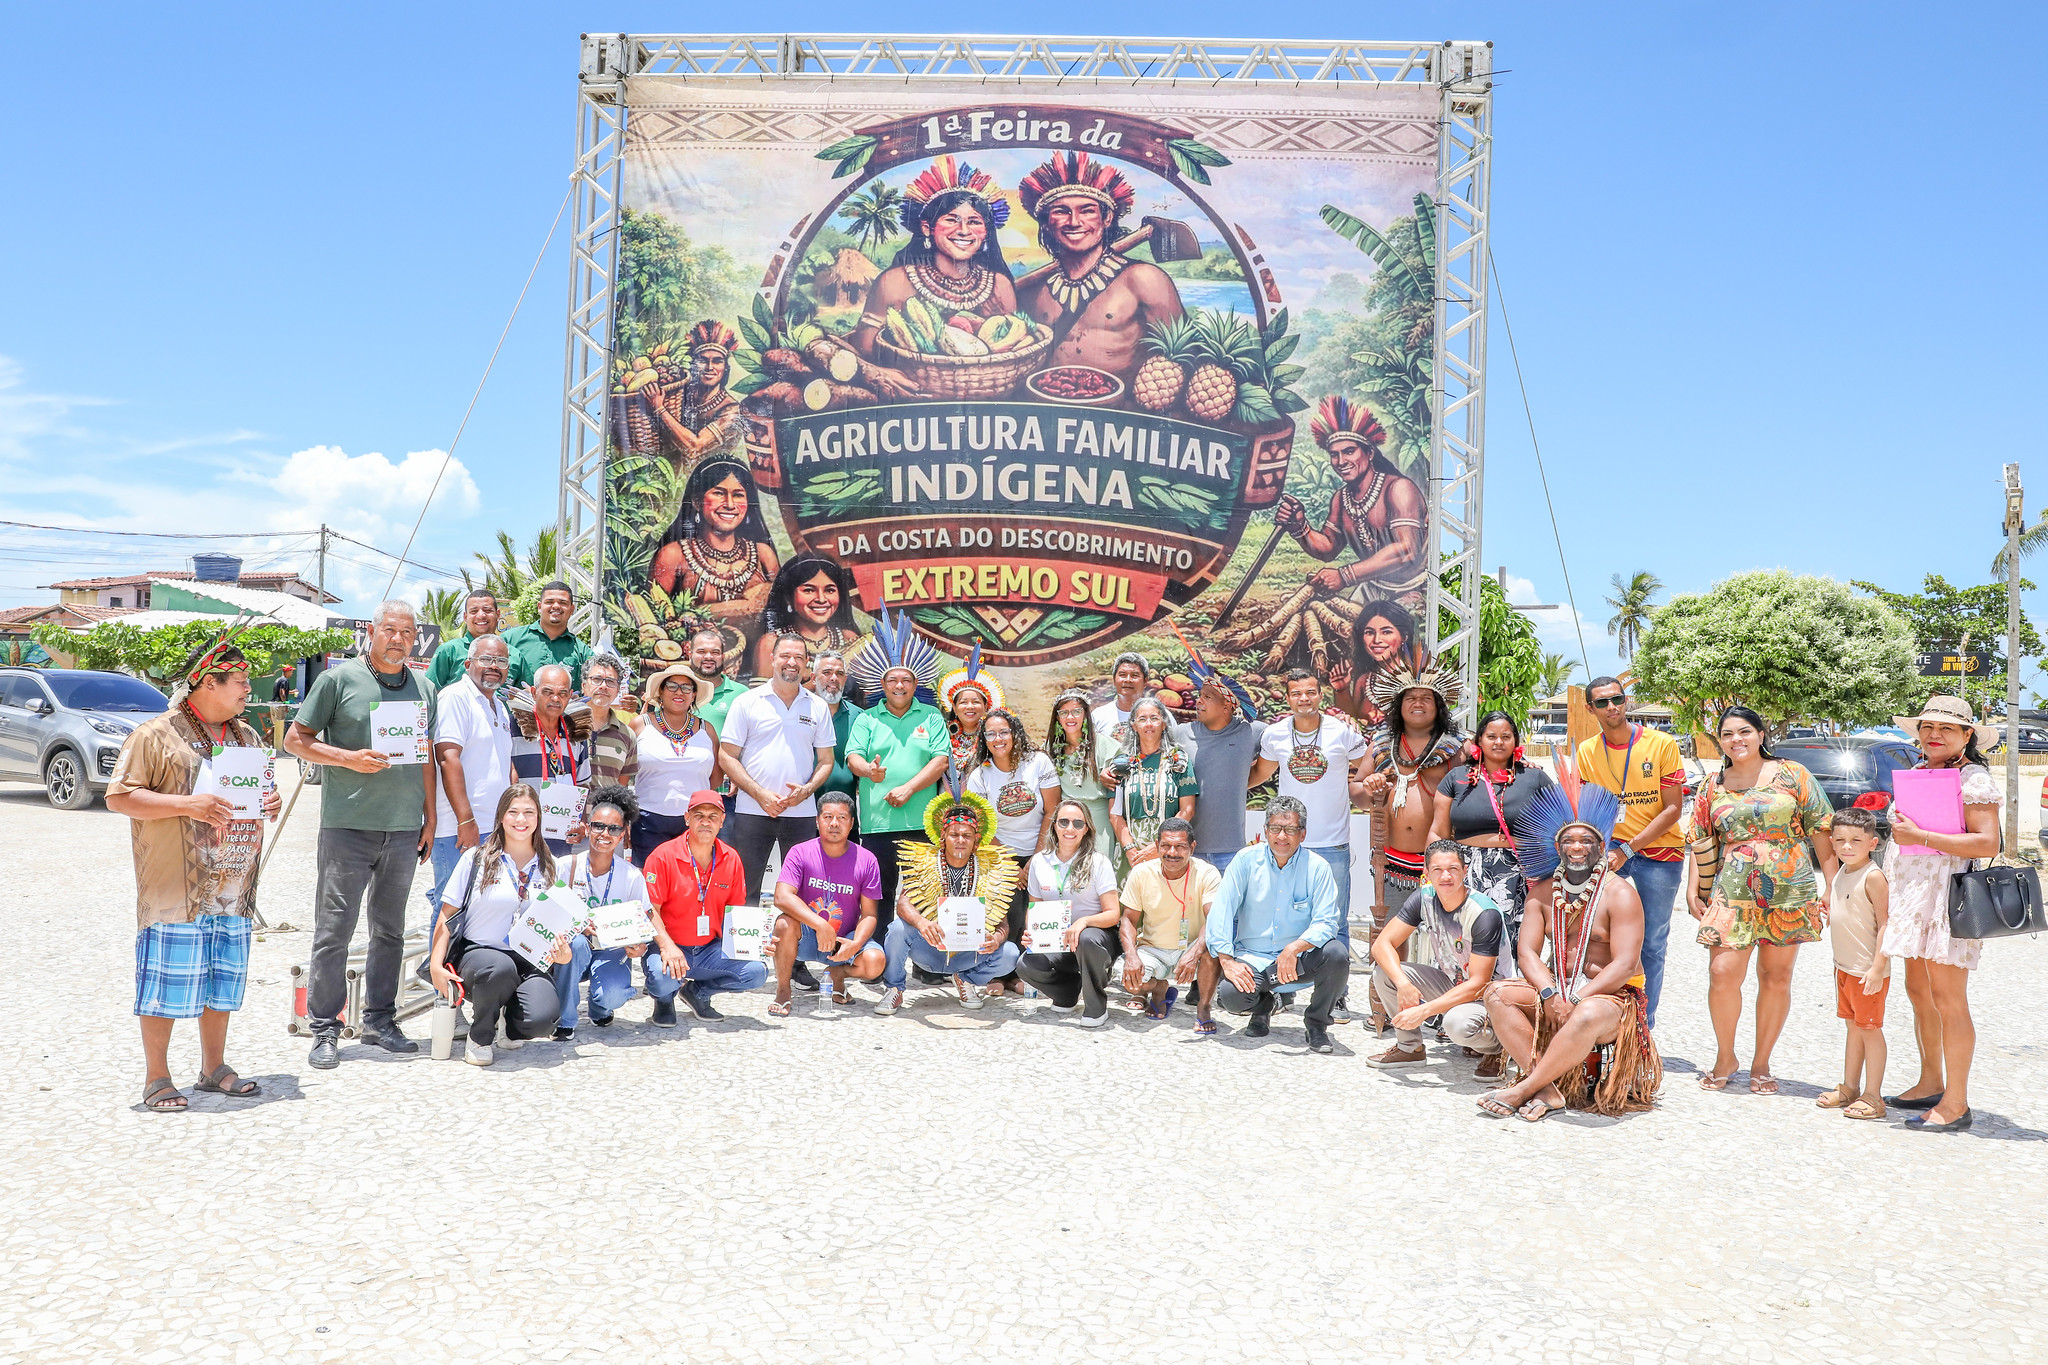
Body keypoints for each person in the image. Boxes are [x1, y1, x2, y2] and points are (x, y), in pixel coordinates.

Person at [106, 637, 283, 1110]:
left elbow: (264, 793)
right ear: (209, 682)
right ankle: (157, 1077)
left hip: (232, 882)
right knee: (165, 979)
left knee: (221, 976)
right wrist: (188, 805)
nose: (250, 688)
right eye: (242, 681)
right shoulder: (155, 736)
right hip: (175, 884)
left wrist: (271, 800)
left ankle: (213, 1067)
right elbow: (120, 797)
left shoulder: (246, 737)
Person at [285, 599, 439, 1070]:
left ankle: (379, 1019)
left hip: (403, 827)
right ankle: (325, 1027)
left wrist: (430, 818)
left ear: (416, 639)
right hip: (347, 827)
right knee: (334, 930)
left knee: (389, 931)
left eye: (407, 633)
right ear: (372, 633)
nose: (398, 639)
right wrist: (348, 758)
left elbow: (426, 757)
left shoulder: (424, 687)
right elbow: (295, 740)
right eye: (389, 630)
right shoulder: (338, 680)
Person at [1478, 772, 1662, 1121]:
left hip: (1610, 998)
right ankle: (1546, 1089)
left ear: (1601, 845)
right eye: (1569, 841)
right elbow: (1527, 952)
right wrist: (1550, 993)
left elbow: (1624, 964)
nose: (1577, 847)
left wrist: (1576, 998)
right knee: (1497, 994)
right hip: (1557, 990)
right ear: (1557, 846)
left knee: (1587, 1014)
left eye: (1586, 841)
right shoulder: (1543, 891)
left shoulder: (1619, 893)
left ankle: (1522, 1089)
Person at [1687, 705, 1837, 1094]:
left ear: (1760, 734)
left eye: (1744, 732)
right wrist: (1694, 889)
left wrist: (1833, 884)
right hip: (1732, 891)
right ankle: (1726, 1056)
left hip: (1790, 888)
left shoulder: (1793, 773)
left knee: (1776, 977)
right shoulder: (1711, 785)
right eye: (1727, 734)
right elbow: (1700, 838)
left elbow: (1822, 828)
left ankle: (1761, 1062)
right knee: (1722, 974)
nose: (1736, 740)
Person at [1879, 695, 2003, 1133]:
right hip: (1913, 896)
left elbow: (1989, 843)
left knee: (1949, 1000)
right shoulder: (1918, 773)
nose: (1933, 734)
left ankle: (1956, 1102)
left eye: (1946, 728)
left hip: (1947, 899)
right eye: (1927, 726)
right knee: (1918, 992)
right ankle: (1930, 1080)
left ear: (1967, 736)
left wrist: (1922, 835)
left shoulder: (1973, 778)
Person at [1014, 151, 1184, 387]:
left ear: (1106, 218)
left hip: (1120, 414)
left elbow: (1181, 357)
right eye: (1061, 211)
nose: (1074, 222)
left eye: (1087, 210)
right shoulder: (1032, 291)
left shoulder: (1143, 280)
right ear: (1046, 222)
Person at [429, 784, 571, 1065]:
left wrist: (563, 954)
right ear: (501, 817)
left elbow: (559, 925)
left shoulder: (553, 866)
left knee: (543, 1020)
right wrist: (435, 965)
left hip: (529, 958)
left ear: (539, 818)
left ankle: (511, 1022)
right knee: (499, 968)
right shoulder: (477, 859)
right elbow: (446, 916)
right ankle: (480, 1037)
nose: (521, 820)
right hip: (479, 957)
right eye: (513, 812)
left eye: (529, 812)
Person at [1576, 676, 1687, 1030]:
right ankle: (1601, 1021)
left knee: (1652, 942)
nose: (1612, 707)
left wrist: (1627, 848)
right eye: (1603, 702)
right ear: (1589, 708)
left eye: (1617, 699)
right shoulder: (1587, 751)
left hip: (1658, 854)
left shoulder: (1661, 743)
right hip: (1609, 854)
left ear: (1626, 701)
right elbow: (1588, 809)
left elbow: (1673, 809)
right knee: (1598, 937)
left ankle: (1643, 1028)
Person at [1205, 796, 1349, 1053]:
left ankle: (1316, 1024)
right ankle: (1263, 1006)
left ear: (1302, 834)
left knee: (1337, 954)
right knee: (1230, 997)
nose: (1282, 836)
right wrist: (1227, 961)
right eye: (1275, 828)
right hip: (1255, 957)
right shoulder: (1245, 860)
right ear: (1265, 831)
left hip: (1300, 961)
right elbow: (1221, 911)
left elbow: (1328, 923)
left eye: (1290, 829)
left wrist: (1293, 949)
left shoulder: (1318, 868)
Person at [1250, 668, 1370, 965]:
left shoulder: (1342, 732)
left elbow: (1369, 765)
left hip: (1333, 844)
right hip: (1287, 844)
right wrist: (1217, 787)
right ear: (1288, 698)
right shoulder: (1274, 734)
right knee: (1284, 919)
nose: (1304, 698)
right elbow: (1258, 775)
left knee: (1336, 922)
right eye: (1296, 693)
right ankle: (1282, 990)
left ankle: (1336, 995)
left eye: (1310, 692)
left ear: (1320, 694)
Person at [873, 777, 1023, 1015]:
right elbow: (903, 904)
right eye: (954, 834)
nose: (960, 840)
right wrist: (922, 923)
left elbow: (1002, 922)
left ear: (976, 842)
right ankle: (894, 988)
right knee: (897, 930)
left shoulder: (992, 869)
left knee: (1010, 953)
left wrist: (996, 938)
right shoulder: (924, 862)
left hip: (970, 951)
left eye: (967, 835)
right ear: (943, 837)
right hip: (930, 948)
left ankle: (965, 980)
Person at [854, 158, 1021, 370]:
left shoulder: (1000, 286)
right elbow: (864, 349)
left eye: (974, 221)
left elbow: (1013, 353)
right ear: (927, 228)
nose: (963, 230)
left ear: (986, 232)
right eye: (951, 219)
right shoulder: (894, 282)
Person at [845, 613, 951, 935]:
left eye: (906, 680)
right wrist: (869, 771)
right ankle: (877, 960)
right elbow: (853, 758)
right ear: (883, 685)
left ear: (916, 685)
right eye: (893, 681)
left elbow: (940, 762)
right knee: (880, 894)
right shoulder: (866, 718)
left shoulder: (931, 716)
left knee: (922, 896)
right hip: (878, 824)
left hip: (923, 823)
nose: (899, 686)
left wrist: (907, 788)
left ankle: (926, 962)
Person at [1272, 398, 1428, 614]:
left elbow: (1405, 551)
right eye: (1334, 454)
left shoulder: (1399, 488)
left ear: (1370, 453)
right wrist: (1300, 527)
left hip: (1418, 589)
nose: (1341, 461)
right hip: (1374, 588)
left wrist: (1344, 576)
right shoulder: (1341, 499)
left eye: (1349, 451)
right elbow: (1328, 548)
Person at [1366, 841, 1508, 1075]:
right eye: (1438, 870)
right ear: (1426, 871)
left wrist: (1424, 1011)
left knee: (1455, 1024)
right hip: (1452, 983)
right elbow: (1382, 945)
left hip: (1490, 996)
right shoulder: (1423, 898)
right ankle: (1410, 1048)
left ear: (1465, 870)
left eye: (1453, 869)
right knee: (1385, 973)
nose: (1446, 876)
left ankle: (1499, 1047)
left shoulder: (1483, 913)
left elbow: (1479, 983)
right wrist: (1403, 985)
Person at [1428, 709, 1554, 962]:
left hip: (1521, 872)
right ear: (1480, 741)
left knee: (1517, 942)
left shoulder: (1535, 777)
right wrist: (1434, 871)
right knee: (1466, 939)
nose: (1498, 742)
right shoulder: (1457, 777)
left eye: (1506, 736)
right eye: (1491, 736)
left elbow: (1556, 828)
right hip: (1466, 870)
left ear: (1516, 742)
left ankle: (1512, 996)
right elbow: (1438, 831)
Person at [721, 633, 836, 906]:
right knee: (745, 890)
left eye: (799, 657)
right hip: (752, 811)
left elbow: (826, 760)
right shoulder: (747, 702)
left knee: (804, 892)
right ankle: (742, 949)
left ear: (807, 663)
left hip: (802, 814)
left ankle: (799, 948)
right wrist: (760, 794)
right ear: (772, 659)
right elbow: (726, 756)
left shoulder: (817, 705)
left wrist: (807, 790)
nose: (791, 663)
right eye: (785, 656)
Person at [640, 788, 771, 1022]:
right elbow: (650, 911)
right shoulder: (663, 856)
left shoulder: (731, 858)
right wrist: (668, 947)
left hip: (709, 950)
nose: (705, 821)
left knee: (756, 972)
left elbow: (736, 915)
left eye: (713, 816)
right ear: (687, 818)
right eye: (698, 815)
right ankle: (664, 999)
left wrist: (756, 943)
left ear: (722, 821)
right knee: (661, 981)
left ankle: (697, 993)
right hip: (670, 946)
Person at [549, 782, 655, 1041]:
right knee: (574, 943)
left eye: (614, 828)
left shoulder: (631, 876)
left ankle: (599, 1006)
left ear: (622, 834)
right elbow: (546, 910)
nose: (604, 834)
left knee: (613, 994)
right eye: (598, 826)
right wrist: (578, 924)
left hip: (611, 950)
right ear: (587, 828)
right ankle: (566, 1018)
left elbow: (643, 923)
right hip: (572, 951)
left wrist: (639, 945)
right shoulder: (564, 866)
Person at [1358, 660, 1462, 916]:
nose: (1418, 702)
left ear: (1438, 706)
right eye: (1410, 698)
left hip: (1441, 863)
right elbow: (1357, 794)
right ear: (1398, 706)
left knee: (1448, 936)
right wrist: (1369, 789)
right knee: (1393, 937)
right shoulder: (1381, 745)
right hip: (1391, 861)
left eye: (1426, 697)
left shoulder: (1457, 748)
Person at [768, 792, 886, 1016]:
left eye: (842, 818)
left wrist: (855, 943)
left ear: (852, 823)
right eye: (828, 817)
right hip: (808, 936)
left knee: (875, 962)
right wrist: (821, 925)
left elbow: (869, 914)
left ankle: (836, 975)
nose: (834, 823)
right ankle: (783, 990)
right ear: (817, 820)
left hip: (844, 939)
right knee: (784, 924)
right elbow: (782, 897)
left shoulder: (867, 859)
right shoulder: (800, 852)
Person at [649, 458, 781, 650]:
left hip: (755, 667)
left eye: (738, 495)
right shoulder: (673, 555)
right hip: (691, 665)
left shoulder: (763, 555)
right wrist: (740, 607)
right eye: (719, 493)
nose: (729, 504)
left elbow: (782, 614)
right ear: (696, 501)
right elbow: (653, 624)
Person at [966, 706, 1060, 973]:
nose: (998, 739)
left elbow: (1052, 809)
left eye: (1003, 732)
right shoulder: (980, 775)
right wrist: (1012, 866)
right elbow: (981, 824)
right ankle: (1002, 974)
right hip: (1001, 854)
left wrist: (1037, 858)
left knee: (1037, 913)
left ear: (1015, 733)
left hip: (1041, 849)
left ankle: (1033, 972)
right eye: (991, 734)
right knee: (1006, 914)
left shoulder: (1038, 763)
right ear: (984, 739)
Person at [425, 635, 513, 921]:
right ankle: (436, 966)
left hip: (492, 826)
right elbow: (447, 758)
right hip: (459, 828)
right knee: (450, 907)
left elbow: (503, 763)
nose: (493, 666)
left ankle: (462, 967)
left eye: (501, 661)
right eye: (486, 659)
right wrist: (465, 820)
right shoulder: (455, 697)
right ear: (468, 663)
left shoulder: (498, 705)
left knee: (479, 909)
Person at [1014, 798, 1123, 1027]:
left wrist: (1083, 922)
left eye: (1078, 823)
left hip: (1095, 938)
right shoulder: (1039, 862)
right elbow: (1035, 907)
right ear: (1054, 825)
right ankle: (1067, 993)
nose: (1070, 829)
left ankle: (1096, 1007)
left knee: (1086, 938)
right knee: (1026, 964)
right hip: (1057, 940)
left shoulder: (1098, 862)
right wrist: (1030, 933)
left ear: (1087, 829)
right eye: (1063, 822)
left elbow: (1113, 914)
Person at [1817, 805, 1890, 1122]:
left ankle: (1874, 1096)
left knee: (1870, 1030)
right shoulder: (1841, 874)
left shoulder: (1873, 877)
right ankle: (1849, 1086)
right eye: (1841, 840)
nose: (1847, 847)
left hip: (1867, 973)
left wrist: (1877, 967)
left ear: (1872, 843)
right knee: (1853, 1028)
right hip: (1844, 969)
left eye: (1856, 841)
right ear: (1831, 841)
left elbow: (1887, 925)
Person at [1116, 817, 1222, 1032]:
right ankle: (1159, 987)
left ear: (1192, 847)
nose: (1172, 852)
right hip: (1153, 949)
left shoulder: (1207, 873)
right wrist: (1131, 955)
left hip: (1192, 946)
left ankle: (1203, 1009)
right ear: (1156, 846)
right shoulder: (1141, 873)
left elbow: (1214, 920)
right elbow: (1128, 919)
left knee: (1211, 951)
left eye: (1180, 846)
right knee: (1130, 982)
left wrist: (1194, 953)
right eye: (1165, 846)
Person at [1173, 660, 1265, 877]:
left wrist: (1239, 782)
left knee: (1228, 912)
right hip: (1186, 850)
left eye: (1208, 696)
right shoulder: (1180, 734)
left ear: (1227, 706)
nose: (1199, 700)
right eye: (1200, 695)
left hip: (1231, 852)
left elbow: (1292, 734)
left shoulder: (1252, 732)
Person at [628, 664, 721, 866]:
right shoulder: (639, 725)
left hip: (695, 823)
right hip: (647, 822)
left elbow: (715, 778)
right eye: (672, 686)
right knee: (648, 885)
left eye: (687, 687)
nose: (679, 692)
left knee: (690, 887)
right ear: (660, 691)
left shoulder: (708, 730)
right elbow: (623, 774)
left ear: (694, 695)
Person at [644, 319, 753, 474]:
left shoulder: (732, 412)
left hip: (708, 483)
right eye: (703, 360)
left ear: (725, 368)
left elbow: (694, 447)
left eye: (717, 361)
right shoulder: (682, 395)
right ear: (694, 365)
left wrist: (659, 409)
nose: (710, 367)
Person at [509, 664, 591, 857]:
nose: (555, 698)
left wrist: (581, 821)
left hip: (561, 835)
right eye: (547, 691)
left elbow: (583, 783)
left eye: (562, 693)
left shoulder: (576, 733)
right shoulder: (513, 728)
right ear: (533, 691)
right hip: (521, 831)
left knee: (555, 886)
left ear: (570, 695)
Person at [1108, 697, 1198, 869]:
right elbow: (1115, 814)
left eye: (1154, 718)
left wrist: (1159, 847)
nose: (1148, 724)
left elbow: (1188, 810)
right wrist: (1130, 850)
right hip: (1130, 857)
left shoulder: (1178, 761)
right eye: (1142, 719)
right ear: (1134, 725)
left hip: (1169, 853)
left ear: (1164, 724)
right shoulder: (1122, 763)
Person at [751, 556, 869, 680]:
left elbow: (865, 695)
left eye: (829, 590)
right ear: (788, 597)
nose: (821, 599)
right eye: (809, 590)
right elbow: (762, 697)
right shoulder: (771, 644)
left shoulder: (849, 639)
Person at [1044, 690, 1114, 869]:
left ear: (1085, 714)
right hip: (1066, 821)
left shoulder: (1103, 744)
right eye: (1064, 712)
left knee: (1098, 871)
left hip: (1098, 819)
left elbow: (1123, 763)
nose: (1070, 717)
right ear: (1057, 718)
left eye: (1076, 711)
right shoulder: (1051, 748)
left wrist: (1113, 771)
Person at [1328, 599, 1415, 729]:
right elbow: (1352, 727)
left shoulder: (1418, 680)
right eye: (1369, 632)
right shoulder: (1365, 681)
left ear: (1404, 636)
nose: (1377, 640)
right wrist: (1342, 690)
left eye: (1386, 632)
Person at [502, 581, 594, 690]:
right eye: (549, 602)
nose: (556, 606)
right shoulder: (510, 639)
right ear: (539, 607)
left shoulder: (582, 652)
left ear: (572, 609)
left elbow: (597, 683)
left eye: (563, 603)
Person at [810, 649, 865, 822]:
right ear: (813, 678)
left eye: (839, 673)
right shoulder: (798, 713)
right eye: (826, 672)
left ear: (845, 679)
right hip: (803, 814)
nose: (834, 678)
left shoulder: (859, 717)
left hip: (844, 816)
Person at [581, 651, 639, 793]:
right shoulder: (564, 725)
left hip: (606, 813)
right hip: (567, 813)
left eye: (610, 681)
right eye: (597, 679)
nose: (603, 686)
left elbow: (621, 787)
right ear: (583, 686)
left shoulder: (627, 735)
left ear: (618, 689)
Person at [938, 654, 1000, 777]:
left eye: (976, 702)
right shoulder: (942, 733)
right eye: (963, 702)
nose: (970, 706)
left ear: (986, 707)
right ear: (954, 708)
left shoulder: (994, 734)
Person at [427, 589, 501, 689]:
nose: (481, 615)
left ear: (498, 615)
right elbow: (429, 692)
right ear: (465, 617)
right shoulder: (449, 651)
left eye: (487, 610)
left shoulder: (514, 655)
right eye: (474, 611)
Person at [1091, 653, 1151, 760]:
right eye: (1122, 675)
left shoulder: (1160, 715)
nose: (1128, 680)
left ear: (1145, 681)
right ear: (1114, 680)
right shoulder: (1098, 716)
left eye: (1135, 675)